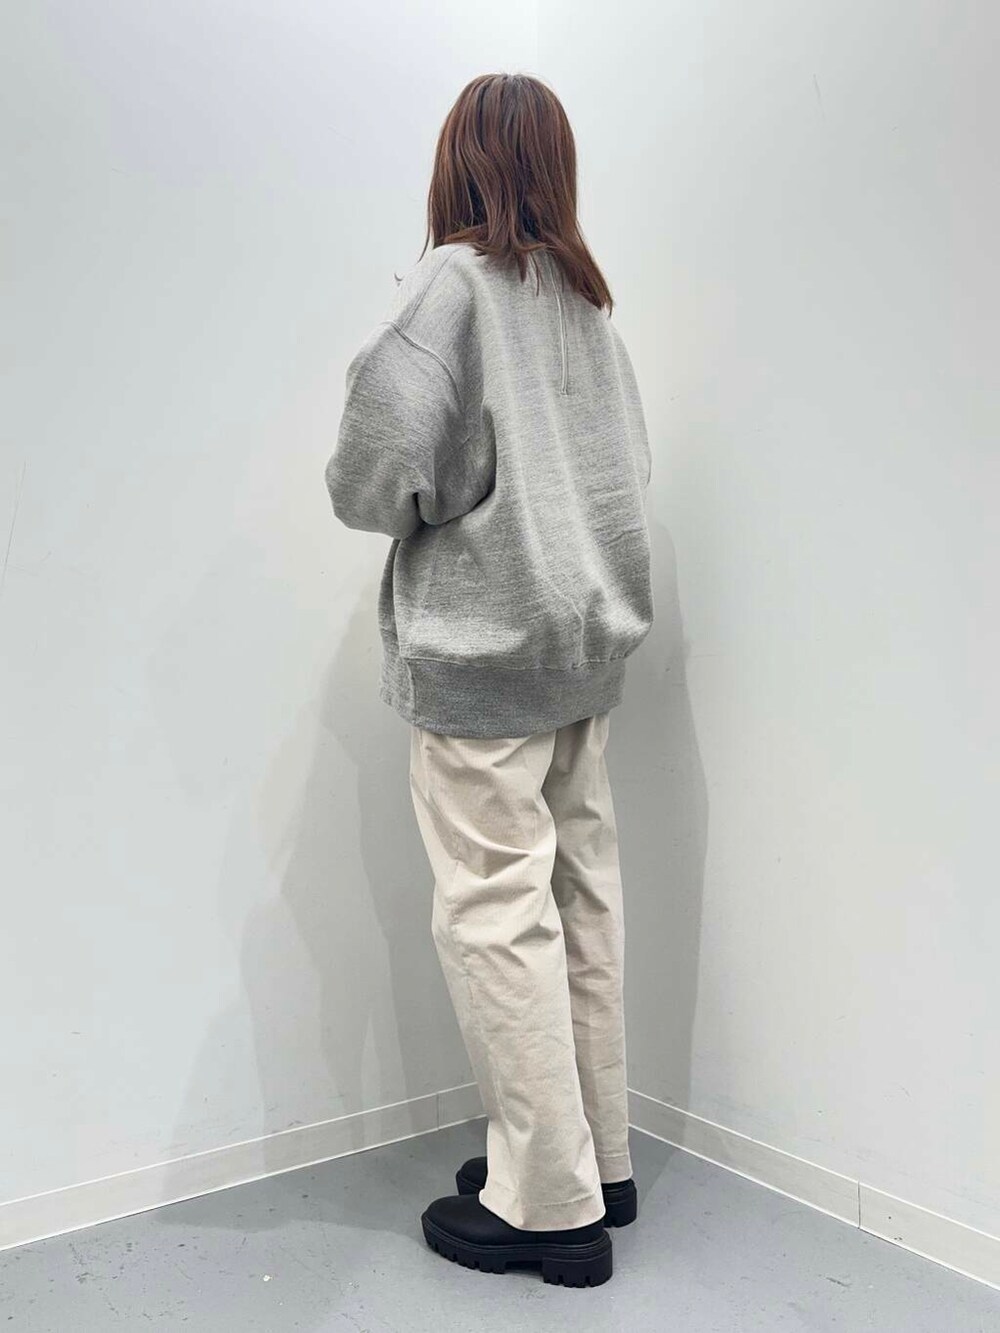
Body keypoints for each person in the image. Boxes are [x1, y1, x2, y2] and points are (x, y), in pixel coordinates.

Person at [324, 71, 653, 1288]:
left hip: (486, 656)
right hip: (582, 655)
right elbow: (625, 480)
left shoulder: (453, 288)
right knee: (580, 900)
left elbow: (371, 478)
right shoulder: (587, 305)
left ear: (456, 158)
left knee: (493, 914)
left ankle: (548, 1205)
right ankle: (594, 1159)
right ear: (554, 166)